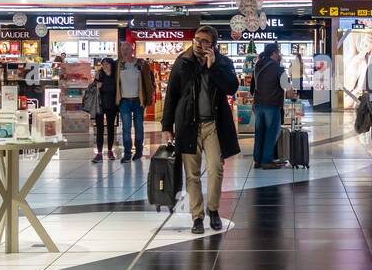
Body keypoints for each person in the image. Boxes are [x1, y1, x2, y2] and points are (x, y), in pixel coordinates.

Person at [162, 25, 240, 234]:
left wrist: (214, 67)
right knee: (192, 174)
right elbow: (172, 94)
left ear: (213, 44)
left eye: (205, 41)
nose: (199, 44)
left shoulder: (223, 63)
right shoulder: (183, 61)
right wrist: (167, 126)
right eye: (197, 39)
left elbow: (232, 87)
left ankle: (213, 210)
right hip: (188, 125)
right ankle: (197, 216)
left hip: (213, 125)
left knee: (216, 168)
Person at [250, 42, 289, 169]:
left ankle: (258, 160)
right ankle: (267, 160)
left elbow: (252, 86)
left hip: (258, 104)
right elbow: (286, 86)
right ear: (274, 53)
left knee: (259, 132)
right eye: (278, 52)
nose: (279, 55)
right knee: (271, 132)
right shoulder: (278, 68)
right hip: (272, 104)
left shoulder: (258, 65)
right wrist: (293, 95)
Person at [115, 42, 155, 162]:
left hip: (138, 100)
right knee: (126, 128)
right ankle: (127, 153)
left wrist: (149, 97)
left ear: (132, 50)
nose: (124, 50)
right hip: (124, 101)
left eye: (127, 48)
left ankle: (138, 152)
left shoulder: (141, 64)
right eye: (122, 48)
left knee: (139, 127)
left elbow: (149, 81)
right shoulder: (118, 64)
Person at [90, 57, 119, 163]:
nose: (105, 66)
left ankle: (110, 151)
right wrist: (96, 86)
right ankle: (99, 153)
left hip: (112, 105)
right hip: (100, 104)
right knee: (100, 130)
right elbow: (93, 88)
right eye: (103, 64)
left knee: (111, 128)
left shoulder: (115, 75)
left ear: (112, 65)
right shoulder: (99, 74)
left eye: (107, 64)